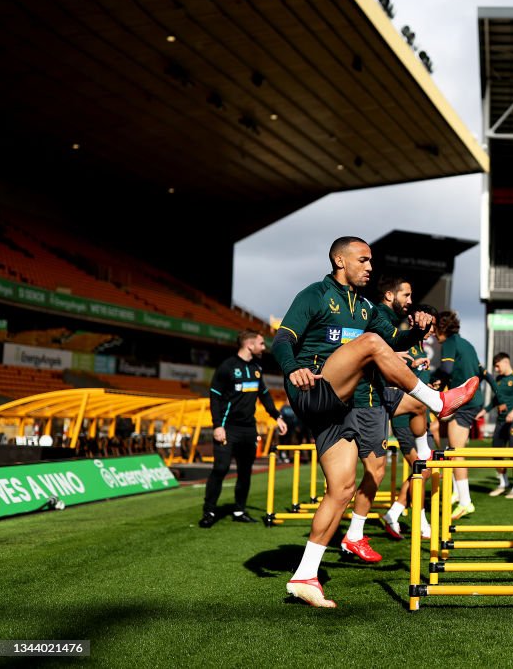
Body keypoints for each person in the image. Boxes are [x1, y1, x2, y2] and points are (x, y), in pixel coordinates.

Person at [274, 237, 479, 607]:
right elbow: (281, 341)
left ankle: (305, 576)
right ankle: (436, 401)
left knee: (342, 487)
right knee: (369, 344)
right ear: (340, 259)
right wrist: (292, 369)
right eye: (363, 260)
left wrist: (417, 330)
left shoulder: (366, 307)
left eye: (371, 261)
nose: (370, 267)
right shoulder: (315, 294)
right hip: (313, 388)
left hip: (337, 408)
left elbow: (394, 340)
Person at [342, 277, 438, 556]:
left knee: (419, 406)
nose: (410, 300)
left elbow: (388, 346)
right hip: (367, 399)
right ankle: (357, 532)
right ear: (389, 295)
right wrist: (410, 344)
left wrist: (405, 354)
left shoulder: (380, 316)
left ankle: (425, 454)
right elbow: (388, 343)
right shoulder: (377, 313)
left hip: (379, 395)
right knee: (367, 476)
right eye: (406, 295)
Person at [200, 330, 288, 528]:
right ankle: (209, 511)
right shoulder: (227, 367)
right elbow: (214, 396)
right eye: (261, 344)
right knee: (221, 468)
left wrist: (277, 417)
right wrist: (217, 426)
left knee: (245, 472)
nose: (264, 347)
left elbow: (264, 394)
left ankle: (240, 510)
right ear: (249, 345)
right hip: (227, 428)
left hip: (249, 429)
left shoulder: (257, 367)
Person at [431, 310, 495, 521]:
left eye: (434, 329)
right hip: (470, 401)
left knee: (455, 453)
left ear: (441, 328)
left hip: (464, 403)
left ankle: (466, 501)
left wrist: (431, 379)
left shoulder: (449, 342)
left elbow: (447, 369)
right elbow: (482, 373)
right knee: (450, 445)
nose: (432, 334)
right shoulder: (467, 344)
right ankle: (458, 493)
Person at [483, 352, 513, 498]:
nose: (496, 369)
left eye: (497, 366)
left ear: (506, 362)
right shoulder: (498, 379)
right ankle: (503, 484)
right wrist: (485, 410)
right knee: (496, 453)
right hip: (501, 420)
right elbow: (496, 400)